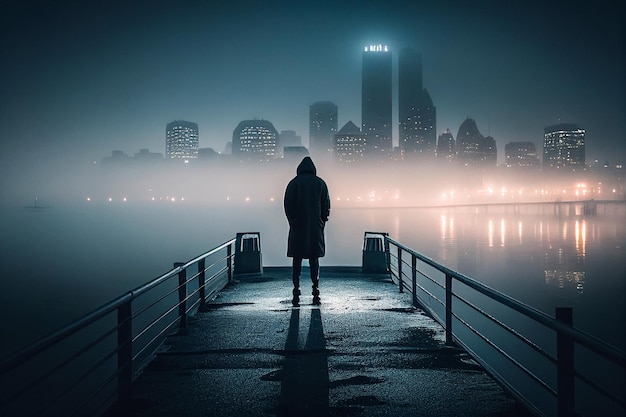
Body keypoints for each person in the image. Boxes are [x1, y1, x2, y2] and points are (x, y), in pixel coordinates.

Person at [284, 157, 330, 307]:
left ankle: (296, 288)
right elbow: (326, 204)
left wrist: (293, 221)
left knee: (296, 259)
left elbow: (287, 204)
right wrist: (322, 220)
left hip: (298, 227)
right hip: (315, 227)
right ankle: (315, 287)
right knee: (314, 258)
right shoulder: (320, 183)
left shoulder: (293, 183)